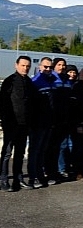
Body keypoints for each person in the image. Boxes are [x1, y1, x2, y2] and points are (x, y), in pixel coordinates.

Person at [0, 56, 36, 192]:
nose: (25, 68)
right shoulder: (9, 81)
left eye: (27, 66)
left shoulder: (29, 82)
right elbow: (3, 103)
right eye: (23, 65)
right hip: (11, 123)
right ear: (16, 65)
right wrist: (5, 121)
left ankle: (18, 179)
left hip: (24, 124)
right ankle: (3, 179)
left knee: (20, 153)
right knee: (7, 153)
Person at [28, 57, 57, 188]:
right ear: (40, 67)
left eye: (50, 67)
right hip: (37, 123)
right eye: (45, 67)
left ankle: (40, 175)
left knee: (42, 151)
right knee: (35, 151)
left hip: (49, 122)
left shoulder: (52, 81)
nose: (48, 69)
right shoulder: (35, 82)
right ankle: (32, 177)